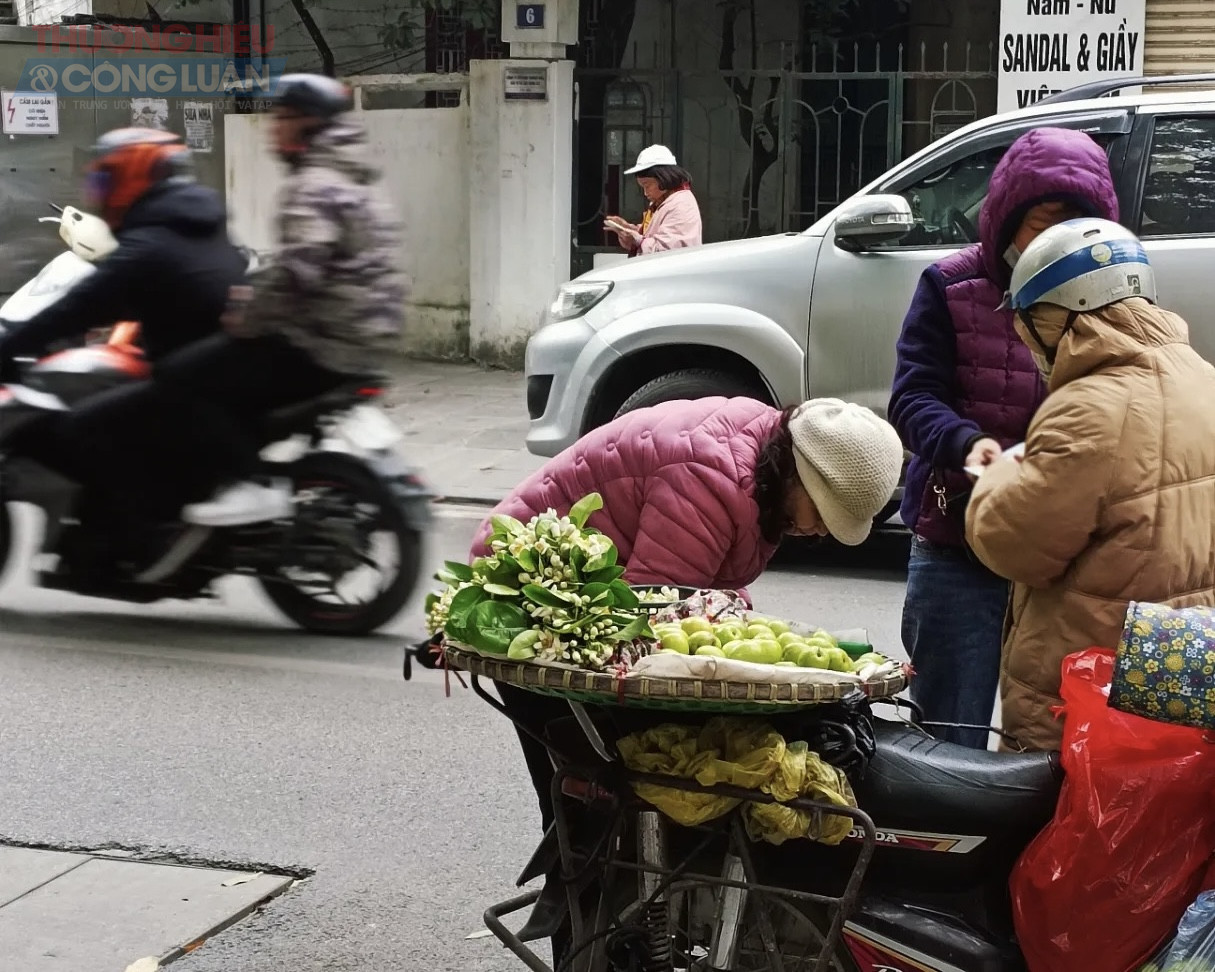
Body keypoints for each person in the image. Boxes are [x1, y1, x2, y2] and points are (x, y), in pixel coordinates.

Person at [469, 395, 904, 827]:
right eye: (823, 513)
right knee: (590, 792)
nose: (821, 531)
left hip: (615, 591)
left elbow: (703, 586)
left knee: (612, 781)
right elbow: (661, 612)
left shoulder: (762, 457)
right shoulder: (709, 474)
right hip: (529, 589)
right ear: (801, 475)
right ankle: (576, 886)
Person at [888, 127, 1120, 749]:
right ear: (1003, 220)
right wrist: (967, 446)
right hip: (958, 544)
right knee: (948, 739)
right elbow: (911, 398)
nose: (1050, 245)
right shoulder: (950, 286)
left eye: (1071, 228)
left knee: (1052, 744)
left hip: (1061, 560)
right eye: (1038, 226)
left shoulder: (1103, 297)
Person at [964, 219, 1215, 753]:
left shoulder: (1089, 410)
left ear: (1055, 318)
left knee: (1063, 828)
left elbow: (1011, 541)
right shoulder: (1204, 379)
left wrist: (1001, 470)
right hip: (1179, 678)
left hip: (1089, 692)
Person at [154, 72, 410, 527]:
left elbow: (297, 276)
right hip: (367, 337)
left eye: (281, 117)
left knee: (182, 376)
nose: (273, 128)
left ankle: (249, 483)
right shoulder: (359, 178)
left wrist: (244, 316)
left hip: (322, 343)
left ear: (306, 123)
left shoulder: (314, 184)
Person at [604, 144, 703, 256]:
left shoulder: (681, 205)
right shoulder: (665, 201)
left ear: (663, 178)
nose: (645, 193)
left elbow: (669, 251)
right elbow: (655, 235)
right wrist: (629, 229)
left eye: (647, 185)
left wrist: (636, 240)